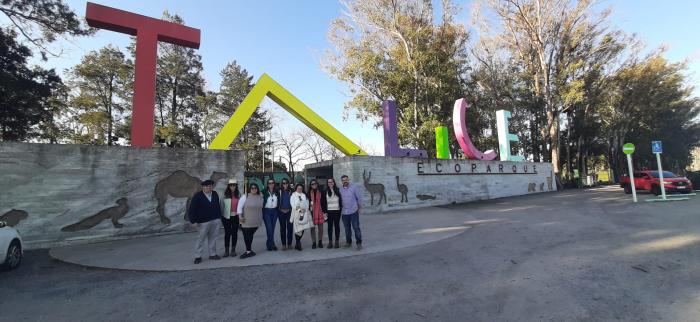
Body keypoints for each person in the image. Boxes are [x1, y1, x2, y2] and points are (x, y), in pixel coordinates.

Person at [189, 179, 222, 264]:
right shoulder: (197, 196)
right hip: (203, 222)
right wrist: (193, 221)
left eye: (210, 186)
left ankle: (213, 254)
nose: (208, 187)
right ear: (203, 187)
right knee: (201, 239)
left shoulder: (215, 194)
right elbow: (192, 209)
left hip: (215, 220)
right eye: (206, 186)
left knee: (213, 238)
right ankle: (198, 256)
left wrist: (219, 217)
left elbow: (217, 206)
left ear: (212, 186)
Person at [236, 183, 264, 259]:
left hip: (256, 221)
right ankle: (248, 251)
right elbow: (239, 207)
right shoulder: (245, 196)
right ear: (249, 189)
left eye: (255, 188)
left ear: (257, 189)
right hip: (246, 220)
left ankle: (249, 250)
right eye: (252, 188)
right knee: (247, 235)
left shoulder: (260, 196)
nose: (254, 189)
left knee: (250, 236)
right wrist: (240, 217)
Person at [339, 174, 363, 250]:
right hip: (344, 213)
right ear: (341, 181)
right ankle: (348, 242)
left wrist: (359, 208)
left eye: (346, 179)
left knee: (356, 227)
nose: (345, 181)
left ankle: (359, 243)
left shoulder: (354, 187)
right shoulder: (340, 190)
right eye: (343, 180)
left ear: (348, 180)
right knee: (347, 229)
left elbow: (359, 198)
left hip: (353, 211)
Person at [219, 179, 240, 257]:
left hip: (236, 217)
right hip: (226, 217)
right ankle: (226, 250)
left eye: (234, 185)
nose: (232, 187)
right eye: (231, 185)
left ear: (236, 186)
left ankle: (233, 250)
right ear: (228, 186)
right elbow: (221, 206)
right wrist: (221, 217)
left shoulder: (238, 195)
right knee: (227, 233)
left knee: (234, 233)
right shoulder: (224, 195)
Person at [321, 178, 343, 249]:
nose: (330, 183)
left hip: (337, 211)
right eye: (329, 182)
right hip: (329, 212)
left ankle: (337, 242)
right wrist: (324, 212)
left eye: (332, 182)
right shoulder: (324, 191)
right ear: (327, 183)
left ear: (334, 182)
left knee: (337, 226)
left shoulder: (338, 190)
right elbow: (323, 203)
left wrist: (341, 209)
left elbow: (341, 200)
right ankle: (330, 242)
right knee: (329, 227)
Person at [289, 183, 311, 251]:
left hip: (303, 213)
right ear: (296, 188)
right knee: (297, 229)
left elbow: (306, 204)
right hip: (296, 213)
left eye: (301, 188)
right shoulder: (293, 195)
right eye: (298, 188)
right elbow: (293, 205)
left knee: (303, 228)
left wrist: (305, 209)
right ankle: (298, 243)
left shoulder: (304, 195)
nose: (299, 189)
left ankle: (297, 242)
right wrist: (299, 210)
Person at [262, 178, 279, 251]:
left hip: (275, 211)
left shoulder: (277, 192)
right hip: (266, 211)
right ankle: (272, 244)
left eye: (272, 183)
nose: (271, 184)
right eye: (269, 183)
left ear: (274, 184)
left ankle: (269, 243)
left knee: (272, 228)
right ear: (267, 184)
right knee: (269, 228)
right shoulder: (263, 192)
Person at [307, 179, 325, 249]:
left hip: (320, 211)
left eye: (315, 183)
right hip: (312, 212)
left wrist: (324, 211)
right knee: (312, 228)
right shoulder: (308, 193)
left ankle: (320, 241)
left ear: (317, 184)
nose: (314, 185)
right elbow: (307, 203)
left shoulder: (321, 192)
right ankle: (314, 242)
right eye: (312, 184)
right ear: (310, 185)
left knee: (321, 228)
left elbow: (324, 202)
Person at [277, 179, 294, 250]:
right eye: (283, 183)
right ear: (282, 184)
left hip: (289, 212)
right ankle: (284, 244)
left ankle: (289, 244)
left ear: (288, 184)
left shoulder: (292, 191)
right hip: (281, 212)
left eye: (286, 183)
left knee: (290, 229)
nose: (285, 184)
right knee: (283, 229)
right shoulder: (278, 191)